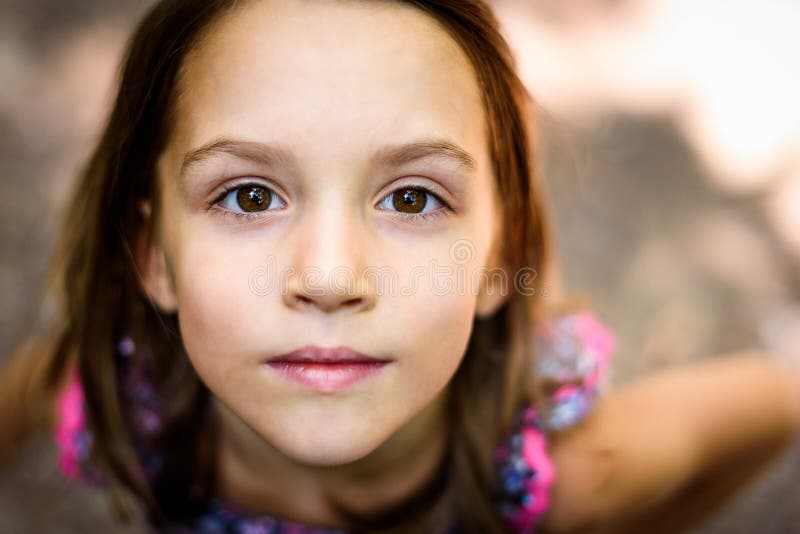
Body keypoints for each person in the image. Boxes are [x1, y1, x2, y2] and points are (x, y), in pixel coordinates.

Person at [1, 1, 798, 532]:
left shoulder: (584, 473)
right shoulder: (115, 403)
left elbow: (774, 402)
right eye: (248, 196)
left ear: (501, 260)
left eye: (412, 200)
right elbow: (31, 389)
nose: (330, 276)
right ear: (154, 258)